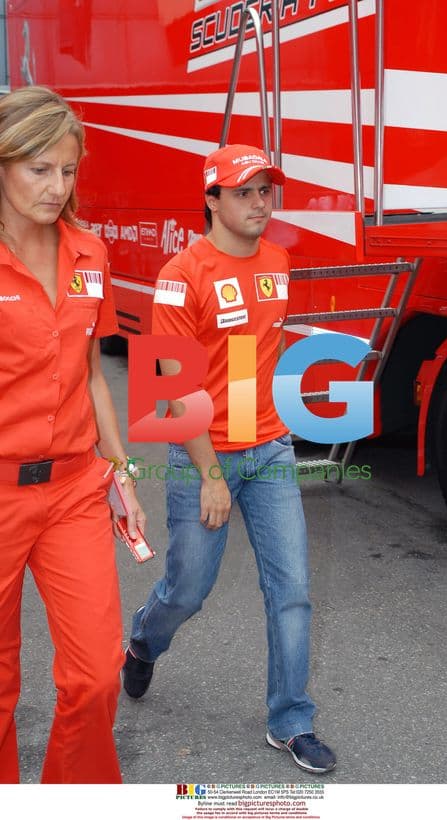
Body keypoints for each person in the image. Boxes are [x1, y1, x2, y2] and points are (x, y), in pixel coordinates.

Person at [123, 144, 336, 774]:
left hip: (267, 447)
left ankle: (291, 719)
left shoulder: (278, 261)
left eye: (266, 190)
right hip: (199, 456)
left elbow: (250, 358)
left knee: (292, 589)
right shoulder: (179, 273)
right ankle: (142, 641)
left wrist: (258, 437)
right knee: (190, 588)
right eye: (244, 191)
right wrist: (213, 471)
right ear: (211, 199)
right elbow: (168, 389)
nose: (259, 202)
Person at [0, 85, 145, 784]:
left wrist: (121, 471)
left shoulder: (89, 252)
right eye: (38, 169)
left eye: (67, 170)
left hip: (73, 492)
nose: (57, 187)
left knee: (95, 677)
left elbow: (93, 375)